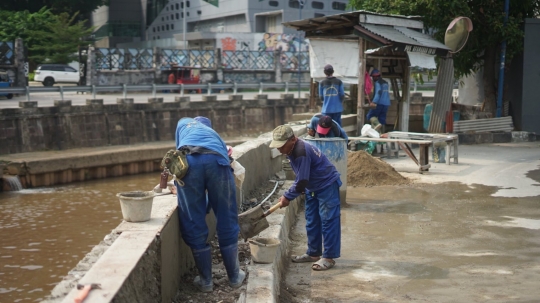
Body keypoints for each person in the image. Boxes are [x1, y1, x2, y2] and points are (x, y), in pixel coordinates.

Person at [174, 117, 245, 292]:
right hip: (217, 161)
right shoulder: (214, 135)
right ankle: (235, 277)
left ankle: (206, 281)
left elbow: (178, 156)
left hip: (189, 161)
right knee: (226, 214)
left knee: (192, 217)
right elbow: (227, 160)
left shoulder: (182, 123)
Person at [269, 125, 342, 271]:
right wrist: (289, 194)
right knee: (312, 220)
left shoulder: (301, 151)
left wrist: (287, 196)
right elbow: (302, 179)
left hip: (326, 184)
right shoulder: (291, 150)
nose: (279, 149)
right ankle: (314, 253)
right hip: (313, 187)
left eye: (282, 146)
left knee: (328, 220)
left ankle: (328, 257)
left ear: (293, 139)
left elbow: (302, 180)